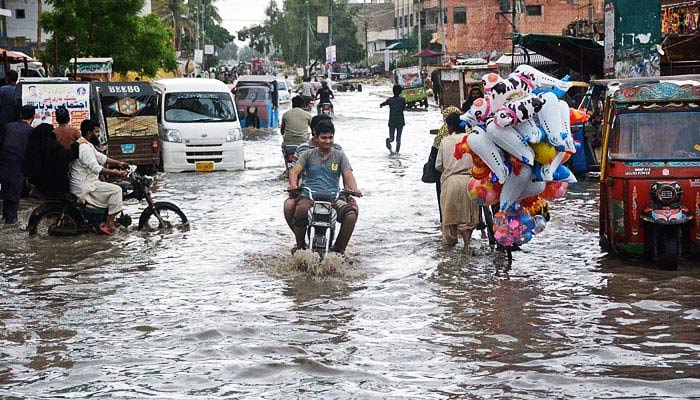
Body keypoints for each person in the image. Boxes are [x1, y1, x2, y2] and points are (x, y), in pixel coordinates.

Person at [287, 119, 361, 254]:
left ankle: (339, 251)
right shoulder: (307, 154)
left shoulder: (340, 155)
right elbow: (295, 171)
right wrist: (293, 185)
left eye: (330, 137)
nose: (327, 141)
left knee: (350, 214)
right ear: (316, 138)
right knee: (300, 212)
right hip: (309, 197)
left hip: (333, 198)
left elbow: (348, 174)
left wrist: (353, 189)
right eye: (324, 138)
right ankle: (301, 247)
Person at [69, 120, 128, 234]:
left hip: (89, 181)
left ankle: (105, 218)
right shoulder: (84, 148)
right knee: (117, 190)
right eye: (96, 132)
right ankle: (109, 223)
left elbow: (102, 158)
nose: (99, 134)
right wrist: (117, 173)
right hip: (85, 185)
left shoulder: (88, 145)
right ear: (89, 133)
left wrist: (119, 163)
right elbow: (96, 168)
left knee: (113, 187)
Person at [435, 112, 479, 251]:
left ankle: (450, 252)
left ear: (450, 126)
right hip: (470, 181)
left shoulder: (445, 141)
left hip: (451, 182)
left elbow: (438, 165)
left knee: (449, 218)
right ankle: (467, 245)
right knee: (468, 217)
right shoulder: (471, 139)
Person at [0, 105, 35, 223]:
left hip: (4, 164)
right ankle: (11, 224)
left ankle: (6, 218)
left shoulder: (9, 126)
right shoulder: (31, 131)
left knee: (6, 194)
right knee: (14, 197)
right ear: (33, 117)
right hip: (17, 165)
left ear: (20, 115)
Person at [429, 105, 462, 222]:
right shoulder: (467, 133)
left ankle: (445, 221)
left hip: (444, 176)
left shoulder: (442, 136)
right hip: (466, 175)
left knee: (444, 201)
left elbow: (436, 161)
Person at [380, 84, 407, 153]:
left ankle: (388, 141)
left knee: (391, 138)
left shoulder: (390, 100)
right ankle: (397, 153)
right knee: (398, 139)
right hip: (400, 121)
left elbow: (383, 104)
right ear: (400, 92)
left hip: (392, 121)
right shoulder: (402, 100)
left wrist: (381, 105)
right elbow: (404, 108)